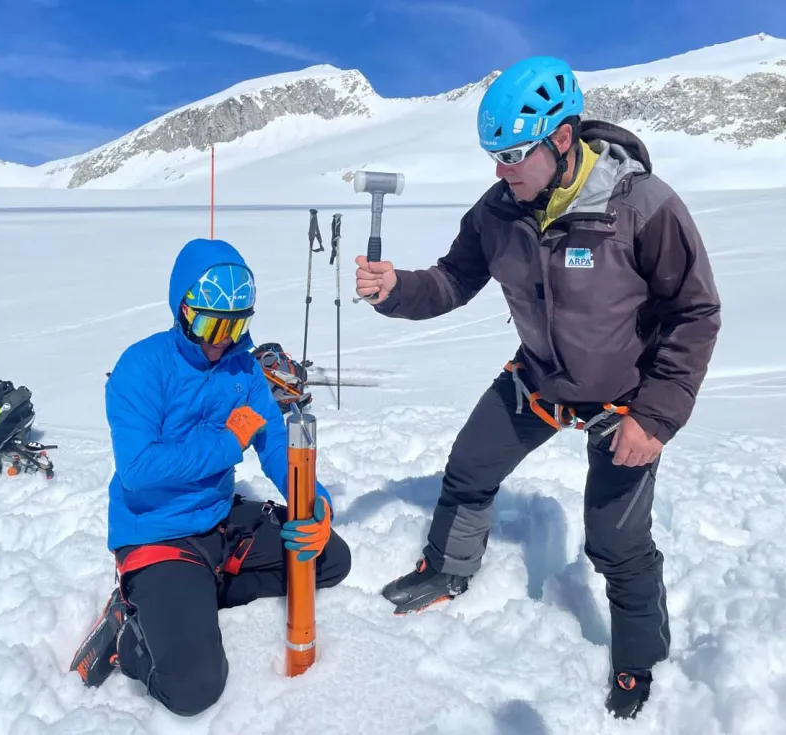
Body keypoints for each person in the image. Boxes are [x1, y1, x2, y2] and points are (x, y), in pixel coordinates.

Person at [354, 56, 721, 719]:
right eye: (492, 155)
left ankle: (639, 658)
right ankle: (448, 566)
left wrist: (657, 415)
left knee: (616, 543)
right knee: (469, 468)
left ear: (561, 137)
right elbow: (451, 279)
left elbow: (694, 312)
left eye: (513, 154)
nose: (500, 170)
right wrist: (395, 289)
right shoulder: (497, 212)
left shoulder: (641, 205)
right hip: (538, 380)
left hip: (624, 402)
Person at [70, 237, 352, 716]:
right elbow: (138, 470)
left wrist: (314, 501)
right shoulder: (141, 367)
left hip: (221, 522)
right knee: (194, 689)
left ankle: (195, 594)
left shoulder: (243, 368)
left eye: (236, 324)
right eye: (210, 322)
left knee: (329, 558)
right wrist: (225, 442)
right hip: (159, 534)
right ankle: (131, 629)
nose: (222, 338)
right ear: (181, 309)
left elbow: (276, 445)